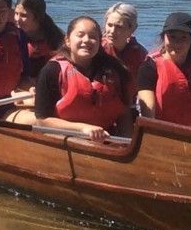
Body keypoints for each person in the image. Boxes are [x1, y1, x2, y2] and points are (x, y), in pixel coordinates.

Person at [11, 15, 133, 143]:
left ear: (99, 42)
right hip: (64, 138)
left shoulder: (115, 71)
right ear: (68, 41)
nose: (86, 40)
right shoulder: (51, 71)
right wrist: (83, 129)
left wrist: (124, 144)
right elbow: (42, 120)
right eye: (80, 35)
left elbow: (124, 113)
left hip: (105, 139)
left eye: (93, 37)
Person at [14, 0, 63, 77]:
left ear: (38, 17)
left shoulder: (56, 39)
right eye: (16, 13)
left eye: (23, 15)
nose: (17, 19)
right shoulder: (13, 35)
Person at [102, 2, 148, 82]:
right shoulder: (97, 49)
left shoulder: (140, 55)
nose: (112, 31)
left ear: (132, 29)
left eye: (119, 27)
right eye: (109, 25)